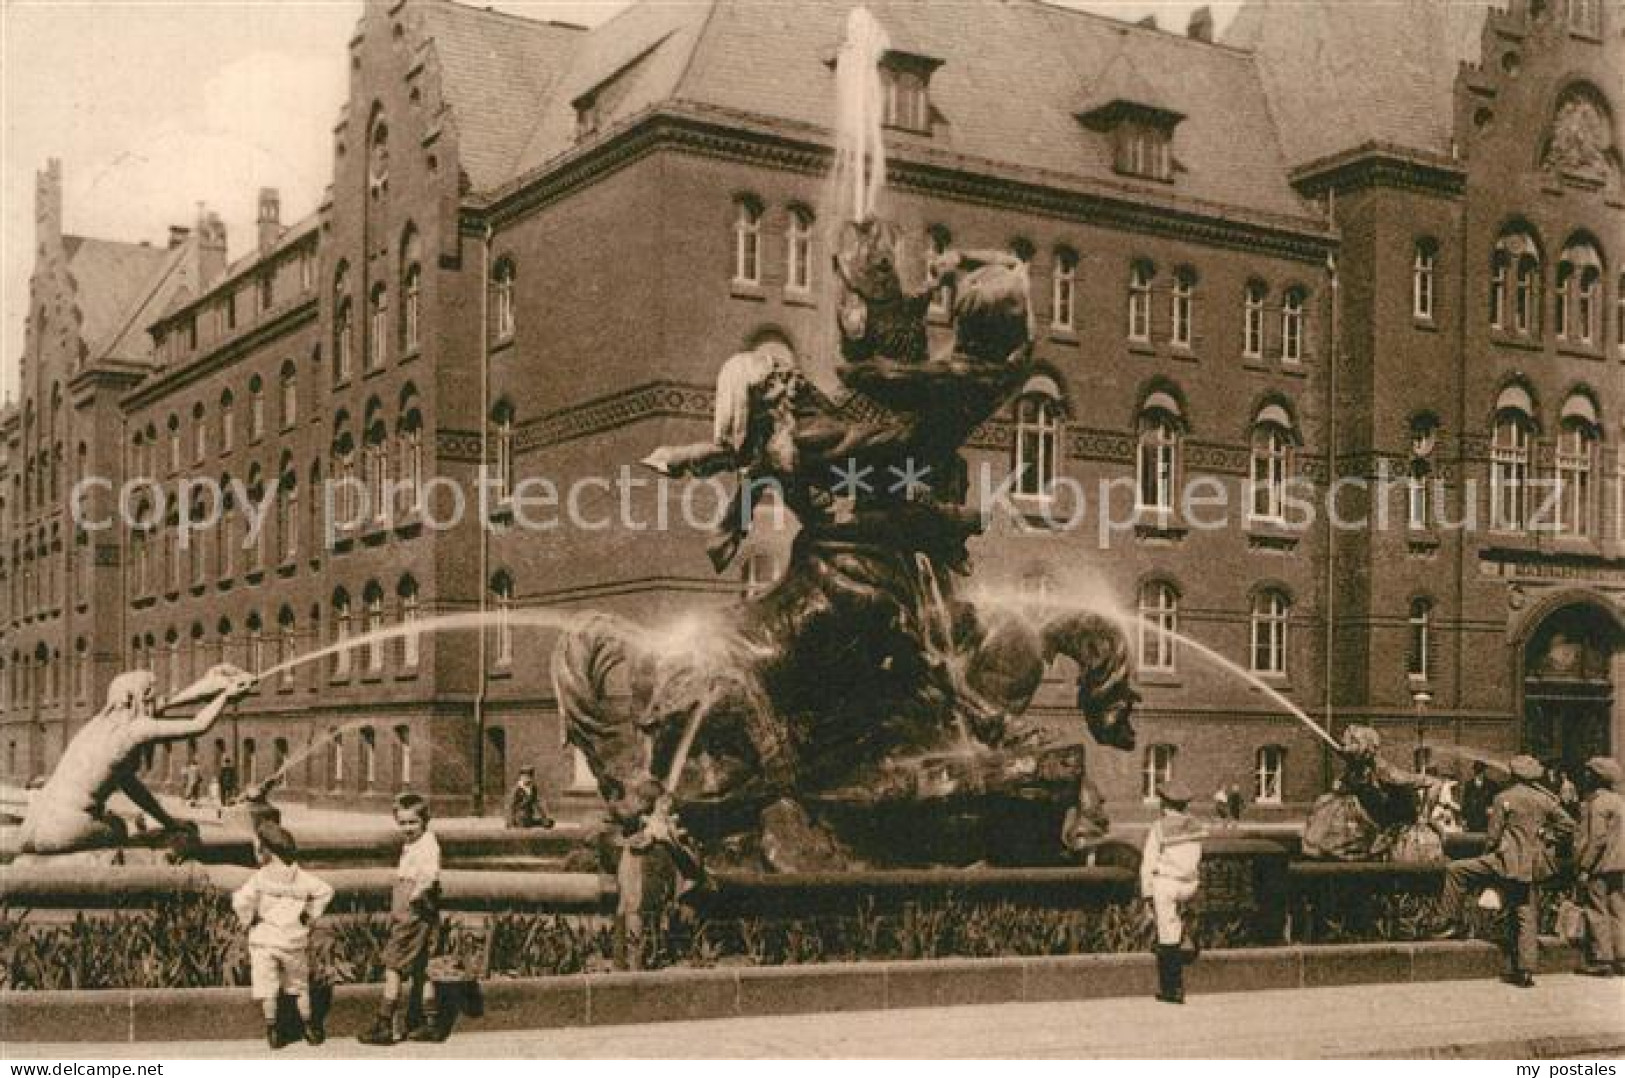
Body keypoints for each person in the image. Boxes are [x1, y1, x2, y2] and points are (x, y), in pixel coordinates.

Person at [19, 666, 254, 855]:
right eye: (149, 694)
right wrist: (225, 696)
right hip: (65, 830)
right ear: (134, 699)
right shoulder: (134, 730)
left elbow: (134, 789)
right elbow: (198, 726)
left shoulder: (96, 726)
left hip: (33, 826)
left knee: (112, 820)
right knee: (119, 827)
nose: (154, 701)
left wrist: (209, 684)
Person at [1432, 754, 1576, 986]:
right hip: (1530, 865)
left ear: (1513, 774)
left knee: (1457, 870)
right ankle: (1526, 971)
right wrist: (1545, 836)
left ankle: (1450, 921)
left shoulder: (1503, 798)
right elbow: (1568, 826)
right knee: (1525, 913)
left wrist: (1486, 854)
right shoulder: (1544, 799)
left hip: (1503, 861)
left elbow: (1493, 836)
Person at [231, 822, 334, 1049]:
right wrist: (309, 915)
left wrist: (247, 920)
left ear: (265, 851)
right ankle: (310, 1027)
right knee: (298, 986)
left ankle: (273, 1030)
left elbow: (241, 901)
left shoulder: (259, 878)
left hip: (265, 940)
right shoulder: (302, 877)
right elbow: (326, 891)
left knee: (267, 987)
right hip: (293, 941)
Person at [359, 793, 443, 1045]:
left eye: (412, 823)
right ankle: (431, 1022)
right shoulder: (418, 843)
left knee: (393, 965)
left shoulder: (428, 844)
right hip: (419, 912)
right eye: (402, 823)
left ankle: (385, 1024)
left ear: (425, 821)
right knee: (423, 967)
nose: (407, 828)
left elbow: (430, 874)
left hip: (412, 912)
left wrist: (416, 894)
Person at [1140, 779, 1207, 1005]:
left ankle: (1172, 988)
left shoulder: (1159, 828)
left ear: (1164, 804)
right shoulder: (1197, 825)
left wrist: (1147, 892)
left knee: (1167, 935)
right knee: (1181, 926)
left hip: (1167, 883)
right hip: (1190, 884)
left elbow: (1148, 861)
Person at [1574, 756, 1624, 976]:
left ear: (1596, 778)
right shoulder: (1620, 801)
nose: (1585, 777)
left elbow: (1598, 839)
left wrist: (1584, 866)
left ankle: (1603, 959)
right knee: (1618, 910)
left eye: (1589, 773)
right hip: (1620, 865)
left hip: (1600, 866)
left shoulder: (1598, 803)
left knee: (1597, 910)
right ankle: (1622, 956)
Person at [1461, 761, 1494, 833]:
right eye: (1477, 771)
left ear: (1484, 771)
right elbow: (1465, 803)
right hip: (1471, 819)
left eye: (1481, 771)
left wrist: (1491, 808)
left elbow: (1494, 800)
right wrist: (1464, 819)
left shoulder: (1491, 785)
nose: (1479, 774)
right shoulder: (1469, 785)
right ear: (1474, 771)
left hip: (1485, 820)